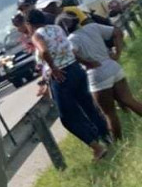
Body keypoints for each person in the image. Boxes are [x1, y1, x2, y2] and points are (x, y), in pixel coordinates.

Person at [27, 8, 110, 160]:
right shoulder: (57, 28)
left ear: (30, 24)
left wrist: (54, 68)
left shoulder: (37, 35)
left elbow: (44, 52)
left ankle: (97, 147)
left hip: (62, 76)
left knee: (68, 117)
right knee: (88, 106)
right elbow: (67, 49)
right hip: (75, 69)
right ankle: (106, 136)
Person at [58, 12, 142, 141]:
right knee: (129, 100)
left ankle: (119, 142)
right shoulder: (93, 27)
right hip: (113, 67)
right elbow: (117, 32)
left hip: (97, 75)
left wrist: (87, 63)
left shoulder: (71, 40)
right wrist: (117, 53)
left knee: (109, 113)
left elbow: (72, 54)